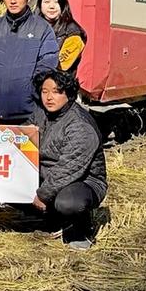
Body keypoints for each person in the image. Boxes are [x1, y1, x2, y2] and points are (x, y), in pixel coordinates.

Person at [29, 69, 107, 250]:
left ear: (69, 94)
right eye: (44, 91)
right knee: (10, 183)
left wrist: (43, 194)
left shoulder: (80, 125)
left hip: (83, 181)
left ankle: (80, 230)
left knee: (68, 203)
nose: (49, 97)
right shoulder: (40, 114)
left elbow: (69, 168)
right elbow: (23, 137)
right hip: (47, 174)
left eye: (56, 92)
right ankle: (50, 219)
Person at [38, 0, 87, 76]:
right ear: (40, 5)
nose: (51, 6)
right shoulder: (33, 26)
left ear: (63, 5)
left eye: (56, 2)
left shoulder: (73, 33)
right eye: (47, 2)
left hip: (58, 82)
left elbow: (62, 66)